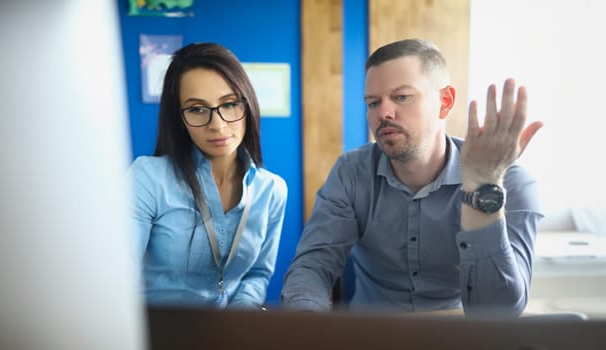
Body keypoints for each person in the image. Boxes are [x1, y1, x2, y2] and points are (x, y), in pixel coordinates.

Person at [281, 38, 543, 316]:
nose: (383, 113)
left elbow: (499, 312)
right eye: (373, 103)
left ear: (445, 102)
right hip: (371, 336)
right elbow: (312, 265)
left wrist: (483, 185)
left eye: (402, 97)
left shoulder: (508, 182)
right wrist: (306, 324)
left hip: (459, 337)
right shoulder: (352, 172)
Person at [127, 42, 288, 309]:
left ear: (247, 104)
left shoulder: (272, 190)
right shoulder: (147, 178)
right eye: (197, 109)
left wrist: (238, 321)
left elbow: (257, 275)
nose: (218, 125)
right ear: (179, 118)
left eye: (229, 104)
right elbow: (118, 274)